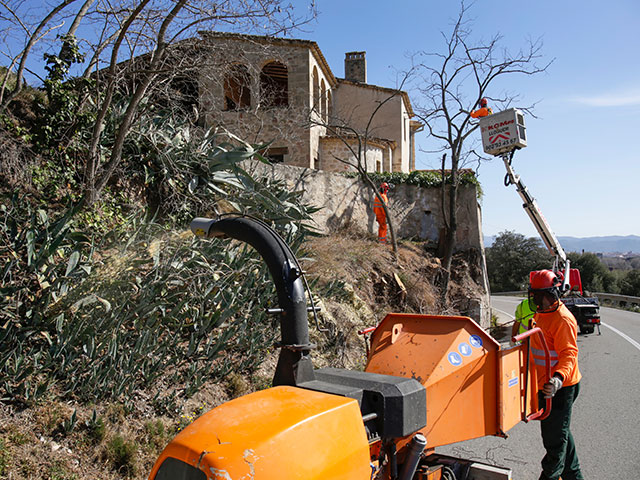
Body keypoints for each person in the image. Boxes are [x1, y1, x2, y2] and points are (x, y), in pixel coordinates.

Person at [528, 270, 584, 480]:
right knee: (562, 437)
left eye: (537, 295)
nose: (534, 299)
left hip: (561, 388)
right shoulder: (542, 313)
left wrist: (558, 379)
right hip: (547, 386)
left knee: (555, 444)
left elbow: (569, 353)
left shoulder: (562, 319)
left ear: (549, 294)